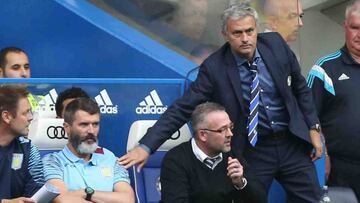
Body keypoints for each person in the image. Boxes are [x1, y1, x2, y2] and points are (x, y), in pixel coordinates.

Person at [120, 4, 322, 202]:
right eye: (237, 33)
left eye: (250, 31)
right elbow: (183, 108)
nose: (245, 38)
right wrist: (146, 146)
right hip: (252, 150)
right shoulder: (214, 68)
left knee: (311, 199)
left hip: (291, 142)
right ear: (225, 34)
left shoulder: (275, 45)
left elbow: (300, 87)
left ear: (256, 29)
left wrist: (313, 127)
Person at [161, 102, 267, 203]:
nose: (230, 134)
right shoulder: (176, 159)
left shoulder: (233, 157)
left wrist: (241, 183)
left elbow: (261, 199)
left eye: (230, 127)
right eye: (222, 130)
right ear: (203, 135)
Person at [307, 0, 360, 200]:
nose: (359, 34)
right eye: (355, 28)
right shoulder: (324, 69)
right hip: (341, 168)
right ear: (345, 27)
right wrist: (324, 157)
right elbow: (309, 116)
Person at [43, 98, 134, 203]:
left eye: (95, 124)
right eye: (84, 124)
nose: (91, 131)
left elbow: (127, 199)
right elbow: (63, 200)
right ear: (67, 127)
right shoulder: (53, 162)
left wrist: (86, 193)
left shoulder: (109, 157)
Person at [0, 85, 44, 202]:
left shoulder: (29, 149)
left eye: (31, 111)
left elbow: (37, 194)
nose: (31, 117)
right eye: (26, 113)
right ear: (7, 116)